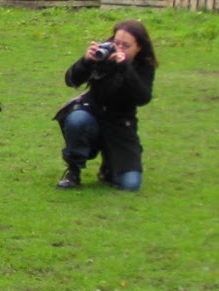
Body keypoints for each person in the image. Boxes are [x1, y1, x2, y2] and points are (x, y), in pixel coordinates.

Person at [53, 19, 157, 191]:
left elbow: (143, 97)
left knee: (130, 185)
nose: (119, 48)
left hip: (120, 125)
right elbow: (71, 80)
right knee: (77, 119)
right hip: (92, 114)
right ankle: (73, 172)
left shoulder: (144, 66)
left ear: (139, 47)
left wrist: (124, 67)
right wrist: (86, 61)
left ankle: (109, 166)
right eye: (117, 43)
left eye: (126, 45)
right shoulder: (103, 55)